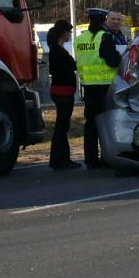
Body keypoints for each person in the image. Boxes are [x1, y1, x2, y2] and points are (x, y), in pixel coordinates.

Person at [75, 7, 122, 169]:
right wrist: (120, 56)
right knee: (105, 123)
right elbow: (111, 60)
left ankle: (90, 159)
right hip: (104, 85)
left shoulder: (80, 39)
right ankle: (106, 158)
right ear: (104, 21)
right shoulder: (105, 37)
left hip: (87, 86)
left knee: (90, 124)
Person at [47, 19, 80, 171]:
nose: (70, 35)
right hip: (63, 92)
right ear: (63, 33)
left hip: (60, 91)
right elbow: (68, 68)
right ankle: (58, 159)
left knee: (62, 126)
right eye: (69, 32)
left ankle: (63, 158)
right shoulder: (58, 51)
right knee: (61, 127)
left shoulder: (55, 50)